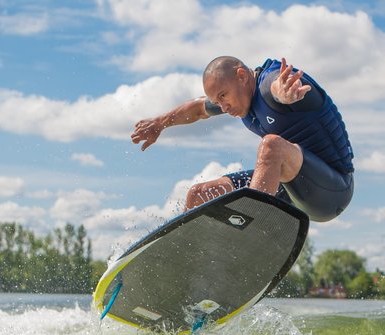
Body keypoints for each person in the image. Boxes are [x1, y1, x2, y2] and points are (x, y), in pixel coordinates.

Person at [131, 56, 354, 222]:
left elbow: (275, 86)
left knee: (271, 146)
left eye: (223, 96)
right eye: (217, 102)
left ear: (241, 76)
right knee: (199, 195)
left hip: (330, 191)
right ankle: (192, 263)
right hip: (288, 187)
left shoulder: (269, 84)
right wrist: (160, 123)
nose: (223, 107)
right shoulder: (239, 99)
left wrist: (284, 93)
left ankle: (248, 227)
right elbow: (198, 108)